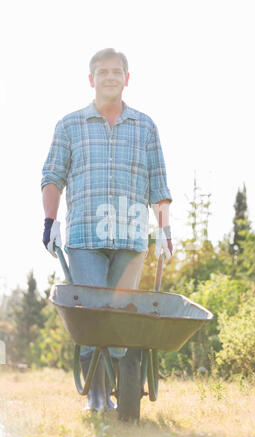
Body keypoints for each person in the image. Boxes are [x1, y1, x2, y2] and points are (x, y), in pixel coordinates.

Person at [41, 48, 173, 414]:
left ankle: (123, 391)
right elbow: (52, 176)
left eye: (117, 71)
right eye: (103, 72)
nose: (110, 77)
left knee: (123, 321)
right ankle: (98, 396)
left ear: (126, 78)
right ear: (91, 79)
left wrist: (164, 230)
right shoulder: (70, 125)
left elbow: (159, 186)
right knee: (94, 318)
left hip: (131, 240)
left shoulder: (145, 126)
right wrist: (50, 222)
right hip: (85, 238)